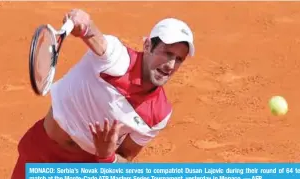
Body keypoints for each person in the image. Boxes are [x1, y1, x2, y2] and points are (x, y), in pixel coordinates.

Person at [11, 9, 195, 179]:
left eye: (179, 59)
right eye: (167, 53)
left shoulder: (158, 114)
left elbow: (125, 158)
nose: (171, 65)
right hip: (42, 150)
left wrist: (107, 156)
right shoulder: (115, 58)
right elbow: (91, 33)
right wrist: (82, 21)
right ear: (147, 45)